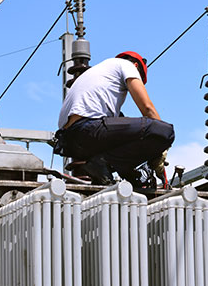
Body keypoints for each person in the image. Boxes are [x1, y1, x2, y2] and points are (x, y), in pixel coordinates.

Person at [54, 51, 175, 186]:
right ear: (136, 66)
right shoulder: (127, 66)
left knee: (122, 121)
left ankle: (122, 173)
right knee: (163, 130)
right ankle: (101, 163)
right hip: (88, 129)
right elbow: (147, 109)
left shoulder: (98, 72)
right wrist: (161, 148)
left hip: (71, 141)